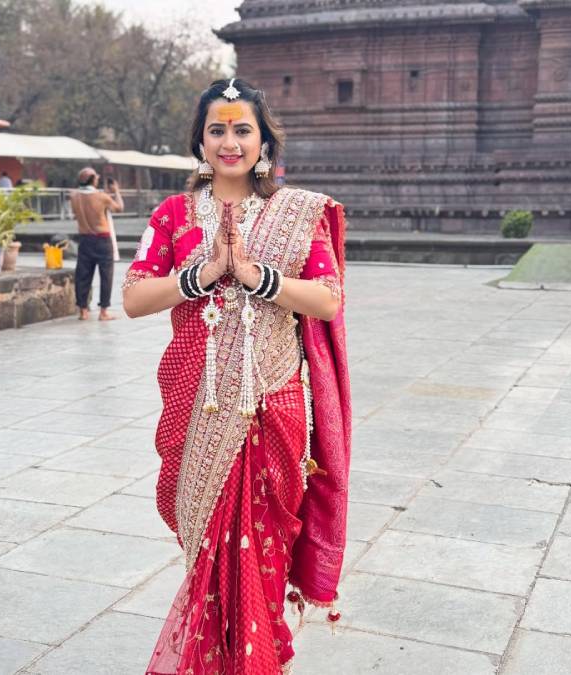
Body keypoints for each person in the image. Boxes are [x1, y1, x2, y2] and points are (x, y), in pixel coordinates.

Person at [122, 78, 351, 674]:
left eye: (242, 129)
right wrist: (203, 274)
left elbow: (327, 299)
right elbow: (134, 297)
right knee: (210, 557)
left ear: (263, 139)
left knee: (262, 553)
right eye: (217, 129)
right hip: (196, 406)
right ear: (200, 140)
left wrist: (257, 276)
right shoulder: (174, 214)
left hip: (272, 406)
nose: (230, 141)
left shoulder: (299, 212)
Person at [70, 167, 124, 321]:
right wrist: (116, 191)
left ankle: (83, 310)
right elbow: (119, 208)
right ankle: (103, 311)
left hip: (85, 239)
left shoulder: (74, 197)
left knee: (83, 275)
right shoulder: (102, 197)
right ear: (93, 179)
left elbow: (77, 213)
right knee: (106, 276)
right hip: (102, 240)